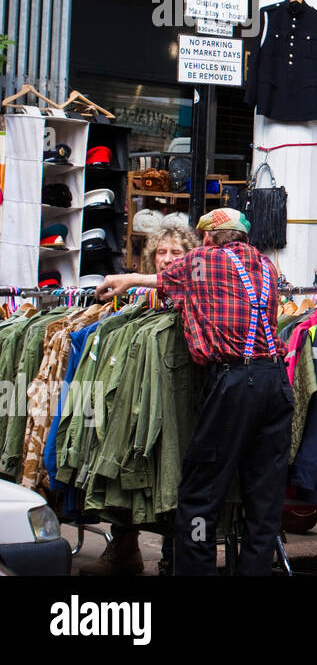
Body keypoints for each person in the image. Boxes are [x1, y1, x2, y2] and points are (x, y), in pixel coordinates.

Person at [95, 208, 290, 576]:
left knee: (201, 494)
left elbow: (163, 279)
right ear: (244, 237)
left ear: (205, 238)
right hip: (275, 382)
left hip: (235, 384)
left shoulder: (202, 259)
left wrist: (125, 279)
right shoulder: (266, 267)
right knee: (264, 497)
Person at [81, 224, 199, 577]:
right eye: (161, 253)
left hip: (182, 397)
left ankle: (172, 555)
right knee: (132, 461)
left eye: (175, 253)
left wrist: (131, 278)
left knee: (174, 471)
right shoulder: (143, 300)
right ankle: (124, 548)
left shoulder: (194, 289)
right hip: (144, 393)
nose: (166, 259)